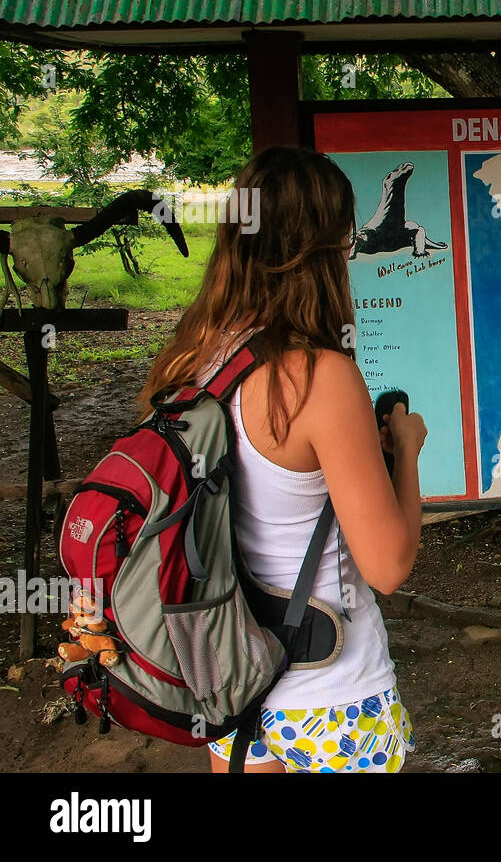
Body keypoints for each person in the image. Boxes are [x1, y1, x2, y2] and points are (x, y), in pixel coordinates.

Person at [138, 146, 428, 773]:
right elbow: (389, 564)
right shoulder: (320, 376)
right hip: (328, 696)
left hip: (230, 679)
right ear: (326, 248)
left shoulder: (194, 360)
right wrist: (405, 453)